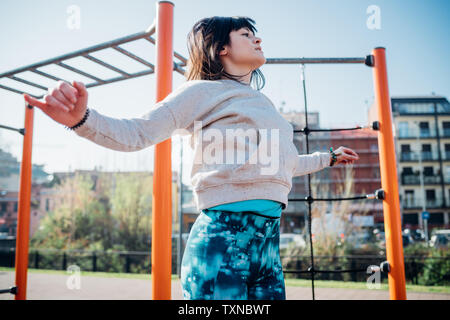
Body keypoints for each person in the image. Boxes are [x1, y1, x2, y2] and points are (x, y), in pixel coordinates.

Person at [23, 16, 359, 300]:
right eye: (245, 34)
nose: (257, 39)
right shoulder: (200, 92)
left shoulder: (265, 105)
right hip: (222, 240)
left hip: (267, 248)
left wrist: (326, 158)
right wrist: (82, 120)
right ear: (220, 48)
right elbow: (139, 132)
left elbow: (280, 167)